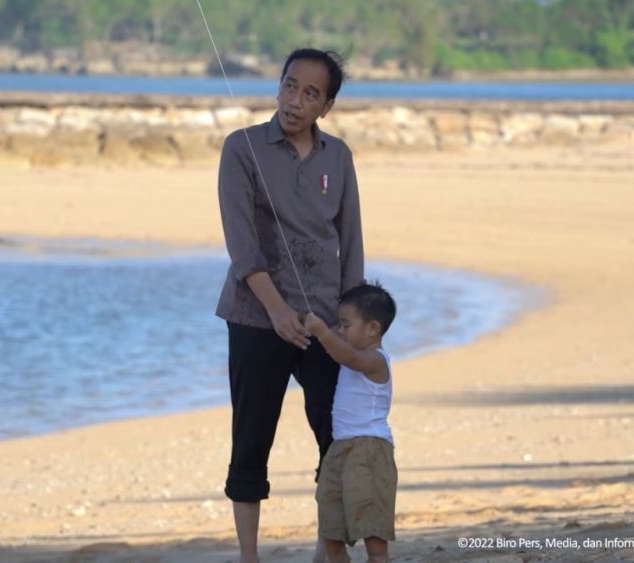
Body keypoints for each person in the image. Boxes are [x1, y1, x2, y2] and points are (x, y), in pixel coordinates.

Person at [216, 48, 364, 562]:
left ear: (326, 107)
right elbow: (242, 246)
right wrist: (276, 311)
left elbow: (351, 242)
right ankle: (249, 555)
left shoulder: (338, 157)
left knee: (337, 438)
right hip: (256, 316)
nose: (294, 101)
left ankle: (327, 550)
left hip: (325, 322)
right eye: (288, 85)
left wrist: (350, 323)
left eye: (310, 94)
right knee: (252, 438)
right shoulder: (241, 148)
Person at [304, 283, 398, 563]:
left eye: (345, 325)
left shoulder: (374, 360)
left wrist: (322, 331)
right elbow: (343, 349)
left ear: (372, 329)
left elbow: (349, 356)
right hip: (340, 449)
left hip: (369, 450)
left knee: (372, 527)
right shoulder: (351, 350)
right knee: (331, 523)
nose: (340, 330)